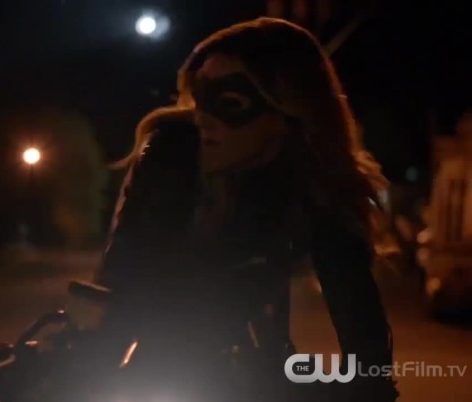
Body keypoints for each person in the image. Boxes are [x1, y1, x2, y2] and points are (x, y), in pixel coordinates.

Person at [90, 17, 399, 402]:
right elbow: (119, 274)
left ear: (288, 112)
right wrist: (78, 359)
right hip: (158, 361)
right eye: (201, 98)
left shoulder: (318, 185)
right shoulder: (170, 154)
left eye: (230, 104)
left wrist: (367, 385)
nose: (204, 120)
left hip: (256, 373)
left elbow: (360, 324)